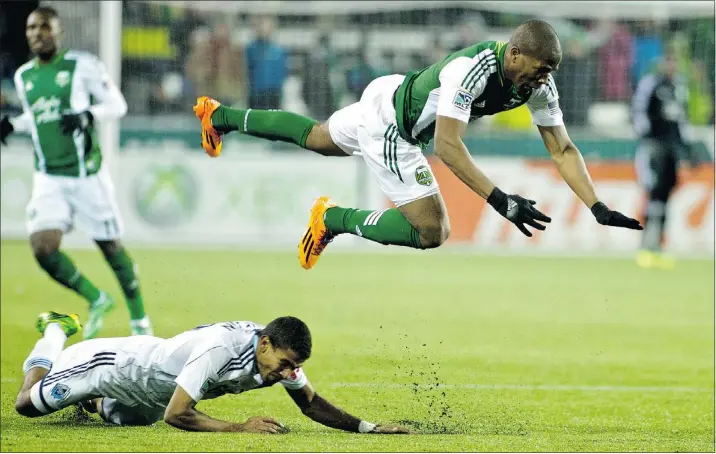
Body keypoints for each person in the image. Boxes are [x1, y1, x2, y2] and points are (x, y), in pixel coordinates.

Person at [193, 19, 643, 270]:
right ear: (515, 54)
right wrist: (500, 200)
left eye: (550, 72)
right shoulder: (473, 68)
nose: (544, 79)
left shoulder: (536, 86)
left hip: (390, 93)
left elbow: (562, 149)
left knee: (316, 137)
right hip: (395, 127)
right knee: (433, 231)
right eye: (541, 68)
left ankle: (219, 115)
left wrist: (596, 206)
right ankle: (332, 219)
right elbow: (448, 145)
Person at [0, 7, 152, 337]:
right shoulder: (24, 76)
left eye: (44, 27)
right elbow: (39, 119)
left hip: (87, 177)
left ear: (58, 32)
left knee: (111, 248)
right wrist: (13, 123)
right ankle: (97, 298)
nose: (37, 33)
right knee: (43, 247)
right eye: (31, 27)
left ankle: (140, 319)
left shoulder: (83, 66)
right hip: (48, 178)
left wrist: (86, 114)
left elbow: (117, 105)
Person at [14, 312, 411, 434]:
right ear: (265, 344)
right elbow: (177, 414)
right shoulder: (220, 348)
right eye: (286, 364)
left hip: (148, 398)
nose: (290, 373)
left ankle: (93, 402)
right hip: (109, 365)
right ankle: (54, 331)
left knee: (123, 419)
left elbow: (310, 406)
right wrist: (240, 427)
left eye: (296, 366)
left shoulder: (275, 358)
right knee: (27, 406)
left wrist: (369, 428)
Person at [632, 51, 699, 269]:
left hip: (671, 149)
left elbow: (681, 121)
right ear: (662, 63)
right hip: (653, 147)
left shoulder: (678, 88)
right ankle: (645, 247)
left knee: (665, 195)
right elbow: (639, 112)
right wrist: (648, 140)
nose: (672, 65)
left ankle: (658, 246)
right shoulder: (651, 84)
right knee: (653, 193)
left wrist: (686, 149)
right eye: (669, 60)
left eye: (675, 61)